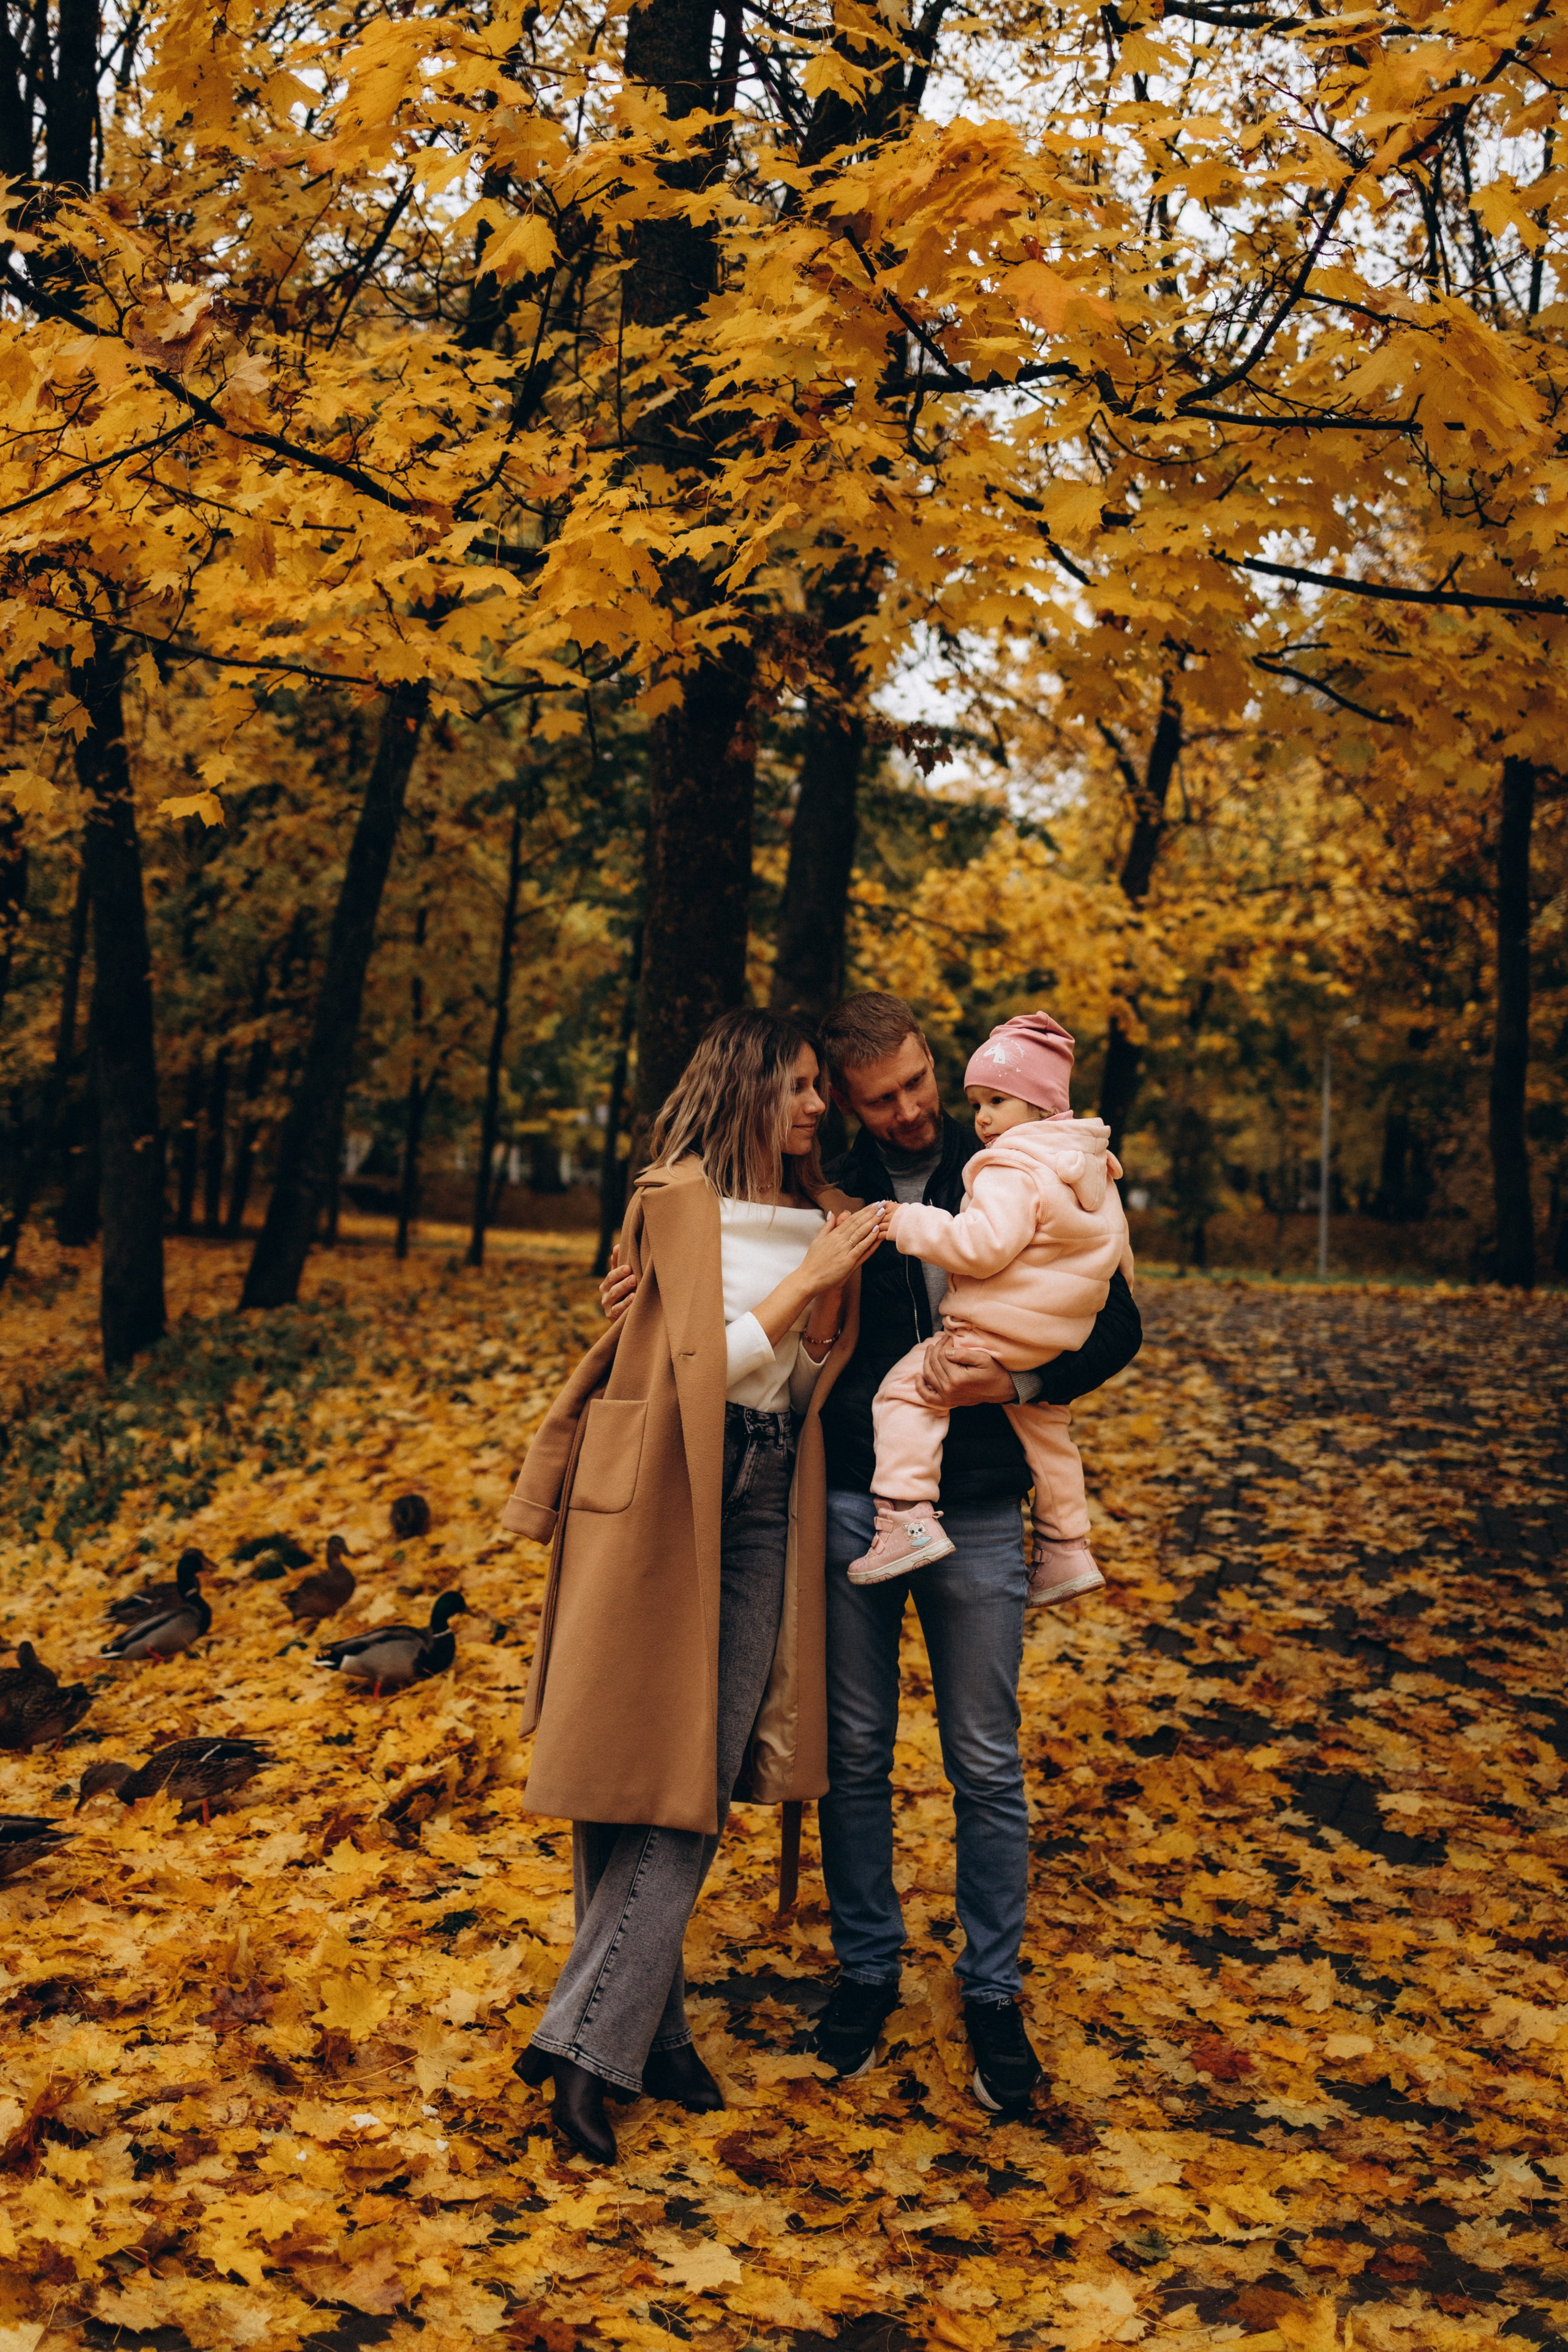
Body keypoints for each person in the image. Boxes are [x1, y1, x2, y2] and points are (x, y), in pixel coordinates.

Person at [601, 992, 1142, 2118]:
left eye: (918, 1084)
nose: (909, 1111)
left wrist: (1023, 1381)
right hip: (848, 1499)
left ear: (937, 1062)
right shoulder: (826, 1192)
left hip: (981, 1501)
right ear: (845, 1103)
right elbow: (718, 1261)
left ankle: (991, 1990)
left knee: (984, 1757)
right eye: (880, 1099)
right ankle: (866, 1971)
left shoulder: (1029, 1158)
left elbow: (1120, 1322)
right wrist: (637, 1283)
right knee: (851, 1752)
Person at [502, 1009, 888, 2163]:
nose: (817, 1106)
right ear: (746, 1087)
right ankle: (641, 2040)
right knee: (625, 1761)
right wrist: (801, 1286)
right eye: (799, 1086)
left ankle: (587, 2039)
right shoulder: (670, 1202)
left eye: (821, 1087)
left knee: (700, 1772)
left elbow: (803, 1381)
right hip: (663, 1478)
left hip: (767, 1487)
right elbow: (686, 1376)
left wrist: (821, 1303)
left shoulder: (833, 1221)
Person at [845, 1011, 1133, 1607]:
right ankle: (1066, 1547)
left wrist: (907, 1223)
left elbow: (981, 1246)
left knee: (904, 1392)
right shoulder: (1087, 1164)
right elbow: (1116, 1256)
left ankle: (906, 1518)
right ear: (846, 1102)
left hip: (991, 1355)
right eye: (978, 1102)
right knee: (1049, 1436)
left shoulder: (1004, 1166)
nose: (982, 1117)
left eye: (997, 1101)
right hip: (1053, 1333)